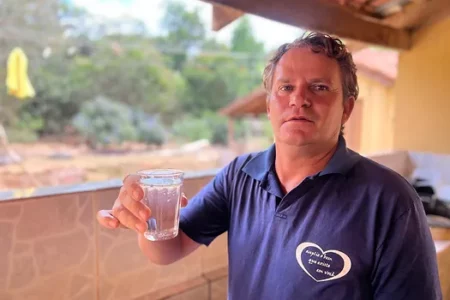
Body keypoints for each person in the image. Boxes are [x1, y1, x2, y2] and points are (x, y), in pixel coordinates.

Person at [97, 32, 442, 300]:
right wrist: (143, 217)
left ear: (347, 108)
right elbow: (167, 249)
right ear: (268, 105)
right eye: (286, 87)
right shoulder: (238, 177)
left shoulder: (389, 200)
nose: (298, 98)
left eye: (319, 88)